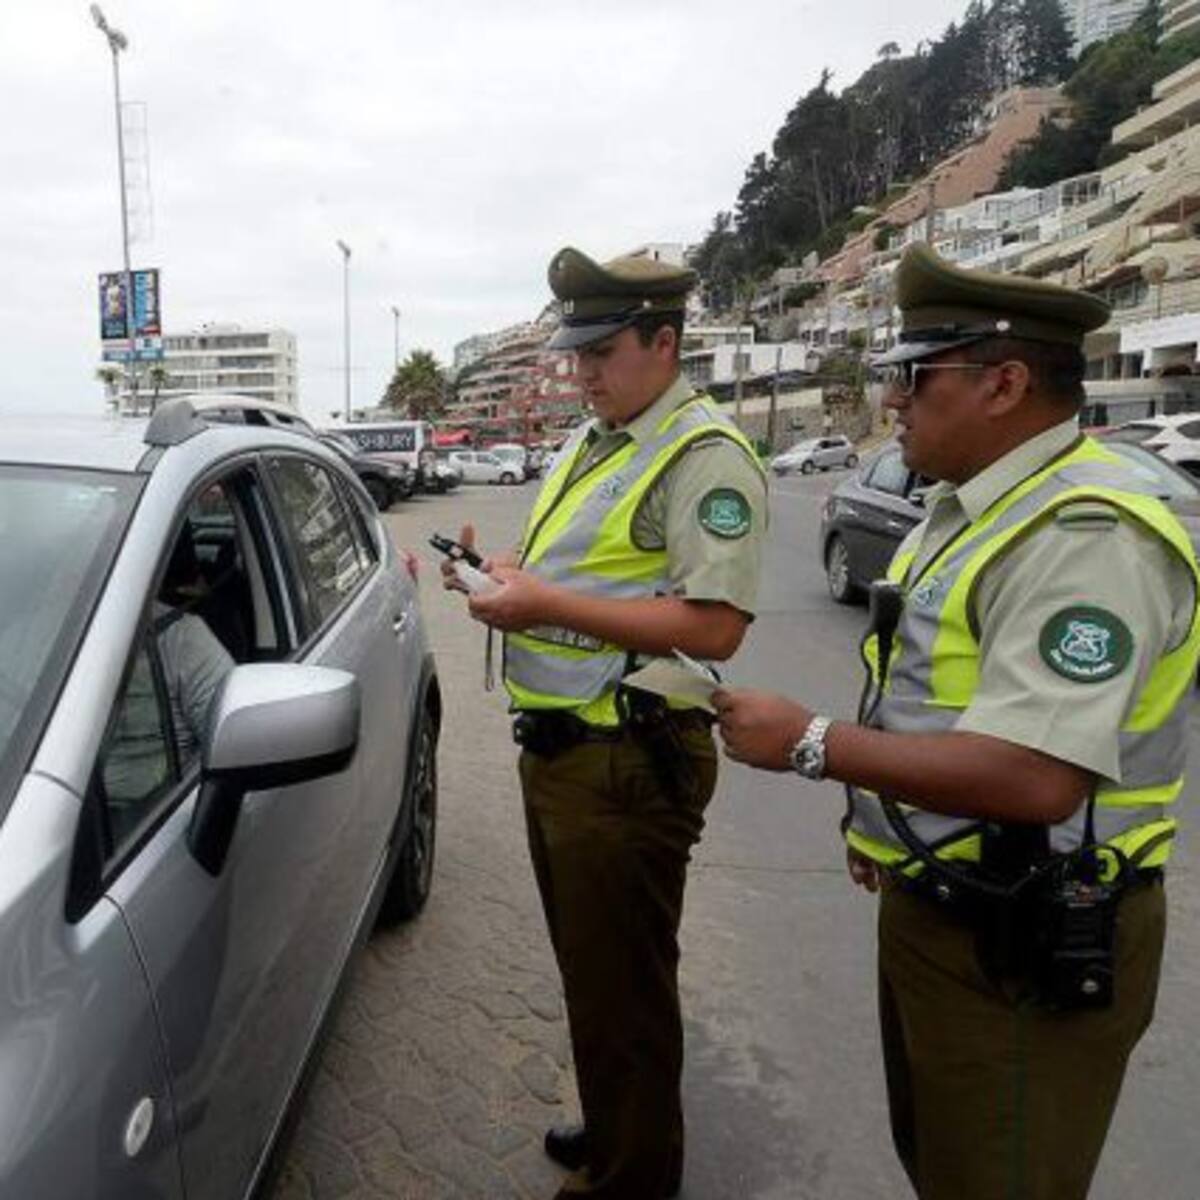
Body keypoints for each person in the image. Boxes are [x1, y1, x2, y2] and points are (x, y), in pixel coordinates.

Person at [713, 243, 1200, 1200]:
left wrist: (811, 744)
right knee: (946, 1165)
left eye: (915, 376)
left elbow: (1036, 775)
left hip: (1030, 931)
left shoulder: (1085, 536)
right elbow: (933, 695)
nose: (893, 401)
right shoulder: (974, 508)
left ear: (1005, 383)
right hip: (953, 898)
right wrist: (890, 827)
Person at [447, 246, 768, 1199]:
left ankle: (632, 1178)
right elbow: (586, 573)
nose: (579, 371)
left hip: (623, 757)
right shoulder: (601, 438)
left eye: (601, 350)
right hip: (565, 750)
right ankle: (617, 1125)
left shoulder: (702, 455)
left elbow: (718, 624)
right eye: (574, 351)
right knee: (596, 975)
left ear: (664, 342)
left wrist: (544, 605)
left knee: (625, 989)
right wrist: (509, 576)